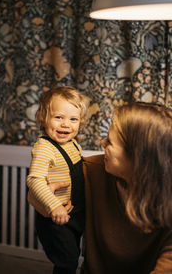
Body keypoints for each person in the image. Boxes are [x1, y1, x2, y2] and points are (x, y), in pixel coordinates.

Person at [30, 101, 172, 274]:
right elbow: (36, 189)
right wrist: (44, 203)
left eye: (110, 142)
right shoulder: (92, 169)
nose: (102, 142)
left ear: (138, 155)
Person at [26, 85, 88, 274]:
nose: (66, 124)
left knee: (74, 254)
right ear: (43, 118)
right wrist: (54, 206)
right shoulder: (45, 147)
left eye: (73, 119)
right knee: (67, 261)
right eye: (58, 117)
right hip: (56, 216)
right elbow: (34, 180)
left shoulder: (74, 144)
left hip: (74, 213)